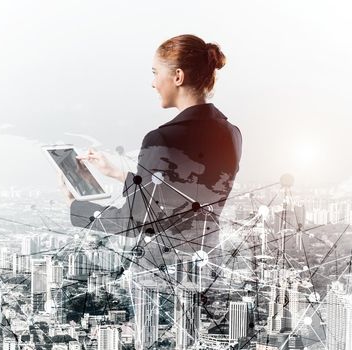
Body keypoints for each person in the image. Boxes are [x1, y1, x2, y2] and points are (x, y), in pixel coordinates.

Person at [59, 33, 242, 288]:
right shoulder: (231, 133)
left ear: (177, 77)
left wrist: (75, 207)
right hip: (208, 272)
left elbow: (133, 221)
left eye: (156, 73)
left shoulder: (161, 138)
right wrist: (119, 174)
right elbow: (181, 199)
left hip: (166, 275)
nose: (153, 83)